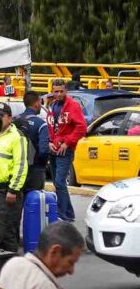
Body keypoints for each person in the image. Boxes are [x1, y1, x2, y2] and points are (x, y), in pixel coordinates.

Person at [0, 102, 29, 253]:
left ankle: (12, 269)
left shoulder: (17, 137)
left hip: (8, 192)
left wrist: (13, 190)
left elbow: (21, 165)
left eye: (1, 116)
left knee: (8, 234)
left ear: (10, 118)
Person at [46, 80, 86, 222]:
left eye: (61, 91)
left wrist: (67, 143)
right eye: (56, 91)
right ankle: (67, 213)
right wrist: (50, 142)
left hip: (65, 150)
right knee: (58, 184)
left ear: (66, 91)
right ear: (53, 91)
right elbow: (50, 127)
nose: (58, 94)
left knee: (60, 182)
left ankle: (64, 214)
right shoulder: (52, 105)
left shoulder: (73, 106)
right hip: (53, 149)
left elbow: (81, 128)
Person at [18, 90, 52, 196]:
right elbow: (43, 151)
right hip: (35, 169)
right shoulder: (41, 124)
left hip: (17, 169)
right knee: (33, 204)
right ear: (37, 103)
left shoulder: (15, 121)